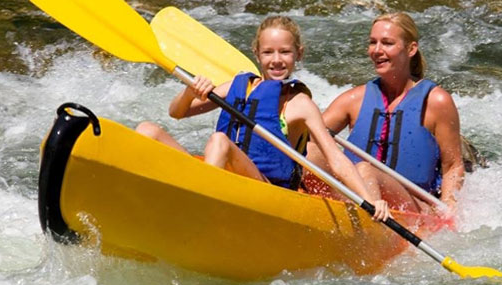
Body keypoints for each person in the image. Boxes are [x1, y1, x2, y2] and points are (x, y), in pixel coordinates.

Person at [135, 16, 391, 221]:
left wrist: (369, 199)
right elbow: (176, 113)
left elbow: (335, 158)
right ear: (256, 53)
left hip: (266, 192)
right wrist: (189, 90)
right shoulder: (237, 87)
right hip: (222, 180)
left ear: (298, 54)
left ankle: (197, 213)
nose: (277, 60)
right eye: (269, 52)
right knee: (148, 130)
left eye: (285, 52)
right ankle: (142, 200)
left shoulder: (299, 103)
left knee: (219, 142)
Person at [306, 12, 465, 214]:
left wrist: (448, 205)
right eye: (373, 42)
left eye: (387, 43)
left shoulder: (436, 102)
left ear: (411, 49)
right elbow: (307, 140)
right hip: (358, 195)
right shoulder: (353, 99)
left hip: (413, 208)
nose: (377, 50)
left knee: (365, 170)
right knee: (310, 153)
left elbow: (452, 165)